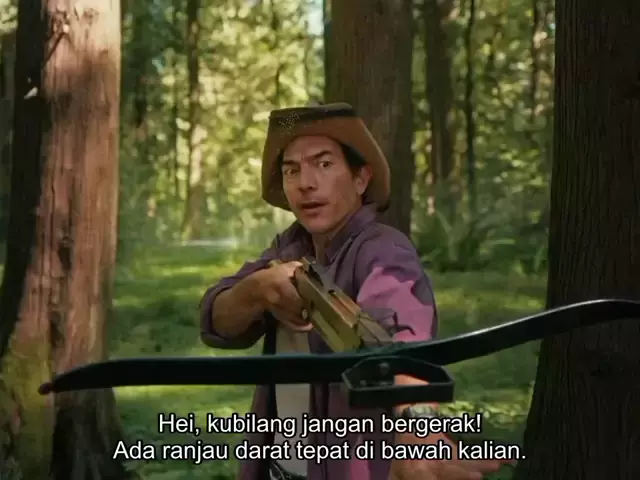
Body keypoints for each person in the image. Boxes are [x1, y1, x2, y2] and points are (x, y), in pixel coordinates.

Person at [200, 103, 504, 480]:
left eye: (324, 164)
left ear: (361, 179)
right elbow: (215, 320)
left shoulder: (384, 251)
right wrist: (256, 291)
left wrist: (420, 432)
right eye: (292, 169)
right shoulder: (288, 248)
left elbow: (405, 345)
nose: (306, 182)